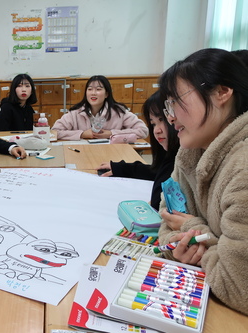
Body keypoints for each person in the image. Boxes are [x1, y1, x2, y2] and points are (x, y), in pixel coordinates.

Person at [157, 48, 248, 315]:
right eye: (167, 106)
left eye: (176, 101)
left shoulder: (242, 167)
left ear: (222, 92)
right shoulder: (188, 155)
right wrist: (181, 247)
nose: (170, 116)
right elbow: (166, 225)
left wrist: (195, 230)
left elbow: (237, 285)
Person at [96, 91, 179, 210]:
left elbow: (156, 205)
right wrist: (121, 168)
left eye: (162, 120)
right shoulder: (170, 158)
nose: (156, 130)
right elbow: (157, 172)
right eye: (153, 124)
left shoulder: (183, 160)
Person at [52, 75, 148, 140]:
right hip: (82, 152)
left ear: (106, 94)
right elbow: (54, 132)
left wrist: (111, 133)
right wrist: (82, 134)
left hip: (112, 153)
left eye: (98, 89)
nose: (93, 93)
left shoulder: (119, 112)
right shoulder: (76, 112)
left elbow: (143, 131)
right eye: (89, 89)